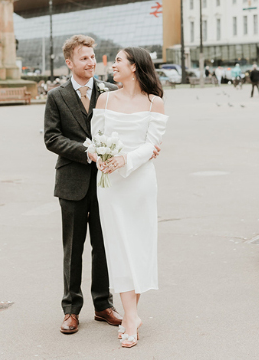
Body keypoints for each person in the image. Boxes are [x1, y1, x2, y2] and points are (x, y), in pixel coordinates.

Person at [44, 35, 125, 336]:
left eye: (93, 57)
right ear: (69, 62)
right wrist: (85, 151)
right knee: (73, 248)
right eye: (84, 58)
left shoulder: (110, 91)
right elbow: (51, 138)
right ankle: (71, 310)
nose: (91, 62)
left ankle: (103, 305)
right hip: (72, 182)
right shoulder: (56, 96)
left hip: (106, 183)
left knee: (104, 246)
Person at [89, 47, 168, 349]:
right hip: (110, 184)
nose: (113, 66)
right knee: (119, 246)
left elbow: (152, 145)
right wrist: (100, 157)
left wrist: (125, 159)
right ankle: (131, 316)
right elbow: (95, 140)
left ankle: (131, 315)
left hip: (141, 183)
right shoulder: (105, 99)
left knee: (138, 244)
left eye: (119, 61)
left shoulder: (154, 103)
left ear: (135, 67)